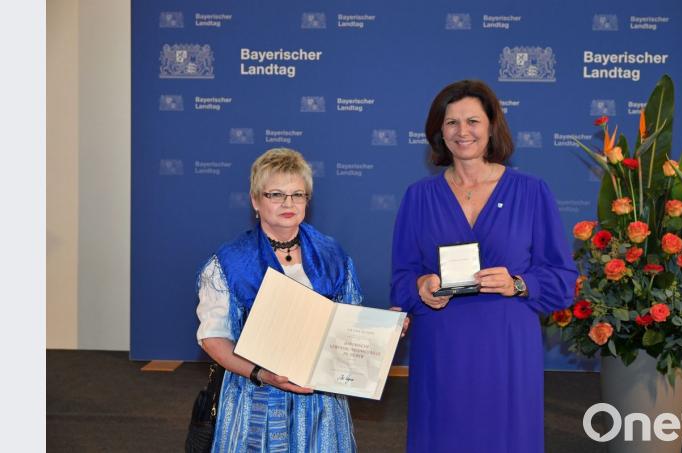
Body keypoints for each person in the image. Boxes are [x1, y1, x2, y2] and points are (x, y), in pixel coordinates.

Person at [390, 80, 578, 452]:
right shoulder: (418, 197)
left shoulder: (532, 191)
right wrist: (421, 286)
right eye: (451, 123)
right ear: (438, 133)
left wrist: (518, 284)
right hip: (441, 349)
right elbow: (401, 279)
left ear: (492, 126)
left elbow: (562, 279)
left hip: (507, 347)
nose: (463, 132)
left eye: (473, 121)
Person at [196, 148, 360, 452]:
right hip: (255, 399)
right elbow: (212, 337)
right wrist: (262, 374)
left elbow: (349, 323)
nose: (288, 203)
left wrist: (378, 334)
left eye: (298, 195)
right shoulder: (230, 261)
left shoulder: (333, 254)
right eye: (276, 195)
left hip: (320, 401)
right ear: (256, 200)